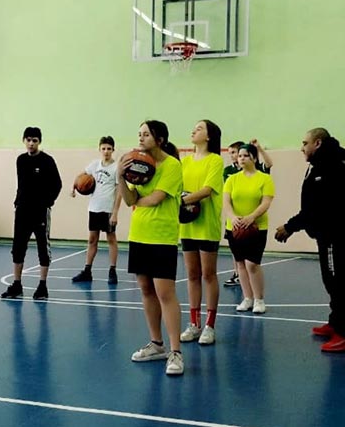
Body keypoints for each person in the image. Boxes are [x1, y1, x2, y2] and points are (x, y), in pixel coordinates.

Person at [275, 128, 345, 352]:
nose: (301, 147)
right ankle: (336, 322)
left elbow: (317, 208)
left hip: (338, 233)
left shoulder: (331, 167)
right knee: (332, 280)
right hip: (332, 232)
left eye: (305, 143)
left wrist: (289, 227)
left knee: (336, 282)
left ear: (318, 143)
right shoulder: (323, 164)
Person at [118, 120, 185, 375]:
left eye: (146, 134)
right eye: (139, 134)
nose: (141, 138)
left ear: (160, 139)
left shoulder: (172, 165)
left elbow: (156, 199)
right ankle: (157, 344)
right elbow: (129, 200)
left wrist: (139, 199)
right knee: (146, 290)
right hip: (139, 235)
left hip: (162, 237)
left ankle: (176, 352)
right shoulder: (137, 164)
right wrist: (120, 176)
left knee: (165, 293)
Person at [1, 127, 62, 300]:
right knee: (18, 248)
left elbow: (57, 184)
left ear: (39, 142)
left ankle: (42, 286)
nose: (31, 143)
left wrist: (47, 202)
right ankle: (17, 284)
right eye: (28, 140)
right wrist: (18, 201)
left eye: (34, 140)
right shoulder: (20, 160)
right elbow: (22, 184)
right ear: (24, 141)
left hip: (40, 212)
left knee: (43, 247)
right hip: (22, 211)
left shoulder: (47, 161)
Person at [179, 120, 223, 345]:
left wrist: (182, 200)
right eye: (194, 127)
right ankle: (194, 324)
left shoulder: (215, 160)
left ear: (208, 136)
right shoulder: (184, 161)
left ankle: (209, 325)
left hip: (207, 225)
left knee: (208, 274)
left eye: (199, 128)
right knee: (192, 274)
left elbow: (207, 190)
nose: (194, 130)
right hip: (187, 226)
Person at [223, 143, 275, 314]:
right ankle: (247, 298)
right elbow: (226, 201)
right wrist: (232, 217)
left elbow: (266, 202)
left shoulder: (264, 179)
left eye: (245, 155)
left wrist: (251, 217)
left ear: (254, 158)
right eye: (239, 156)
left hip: (256, 227)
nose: (241, 158)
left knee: (252, 264)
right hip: (235, 227)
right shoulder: (232, 179)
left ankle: (259, 299)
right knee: (240, 264)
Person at [70, 136, 122, 285]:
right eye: (103, 148)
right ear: (99, 149)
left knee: (111, 239)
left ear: (113, 150)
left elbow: (119, 191)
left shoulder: (116, 168)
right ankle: (87, 271)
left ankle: (112, 271)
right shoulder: (94, 165)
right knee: (92, 240)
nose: (106, 151)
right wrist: (73, 187)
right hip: (94, 208)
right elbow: (80, 176)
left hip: (108, 209)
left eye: (109, 149)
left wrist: (115, 212)